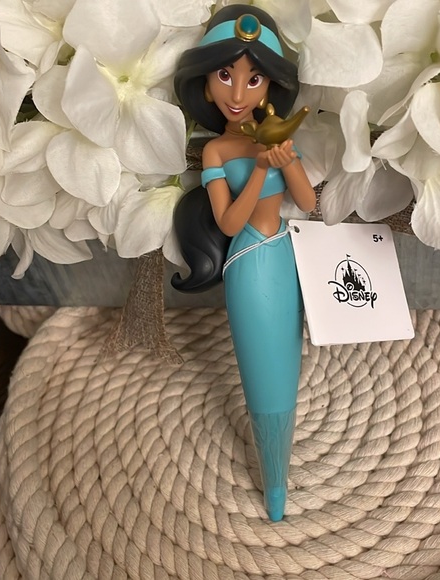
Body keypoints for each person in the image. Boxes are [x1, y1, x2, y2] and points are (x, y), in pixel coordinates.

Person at [173, 4, 316, 521]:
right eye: (225, 76)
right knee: (261, 369)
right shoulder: (216, 152)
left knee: (286, 363)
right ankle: (273, 479)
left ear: (270, 84)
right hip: (250, 259)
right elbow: (230, 223)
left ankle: (280, 474)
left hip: (284, 256)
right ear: (205, 84)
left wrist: (287, 159)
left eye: (253, 79)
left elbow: (308, 201)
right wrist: (258, 169)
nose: (238, 93)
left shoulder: (276, 136)